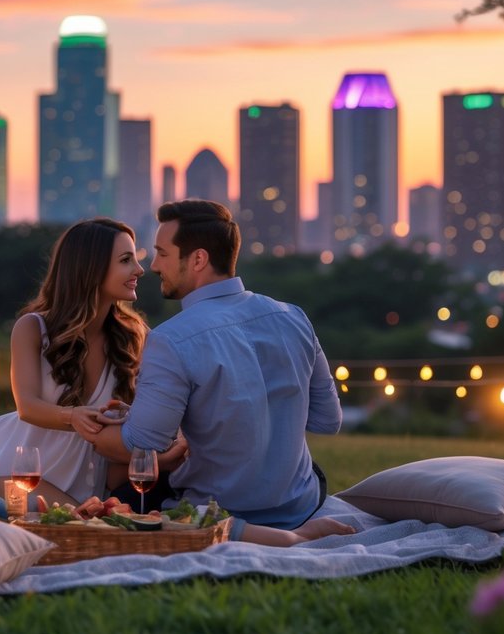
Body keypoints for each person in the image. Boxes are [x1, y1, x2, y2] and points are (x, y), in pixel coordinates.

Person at [87, 199, 355, 546]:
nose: (153, 266)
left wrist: (86, 426)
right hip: (299, 502)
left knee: (120, 494)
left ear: (198, 259)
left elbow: (141, 443)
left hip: (218, 511)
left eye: (163, 254)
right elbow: (328, 420)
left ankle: (270, 537)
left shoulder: (171, 339)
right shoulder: (294, 317)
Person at [0, 217, 185, 517]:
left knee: (80, 522)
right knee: (61, 519)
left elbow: (136, 419)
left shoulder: (135, 334)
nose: (139, 269)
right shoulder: (33, 327)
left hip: (87, 478)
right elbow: (27, 406)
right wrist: (73, 416)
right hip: (13, 468)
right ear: (89, 268)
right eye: (125, 260)